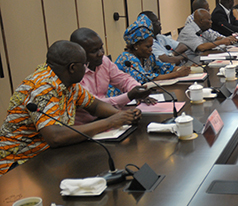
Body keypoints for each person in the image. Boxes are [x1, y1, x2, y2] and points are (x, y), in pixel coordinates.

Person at [0, 41, 141, 175]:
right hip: (18, 163)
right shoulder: (43, 87)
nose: (87, 68)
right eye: (85, 64)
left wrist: (122, 116)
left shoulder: (68, 83)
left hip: (47, 155)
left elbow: (95, 105)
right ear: (72, 68)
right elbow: (55, 136)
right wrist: (110, 122)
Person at [70, 28, 154, 124]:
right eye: (94, 51)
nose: (101, 53)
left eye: (101, 47)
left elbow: (124, 79)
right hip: (85, 125)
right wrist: (129, 96)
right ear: (79, 53)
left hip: (107, 116)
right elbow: (95, 104)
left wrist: (137, 89)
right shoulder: (76, 73)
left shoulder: (104, 61)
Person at [113, 15, 191, 92]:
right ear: (136, 46)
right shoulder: (127, 59)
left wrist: (186, 69)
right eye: (148, 47)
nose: (151, 50)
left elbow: (163, 67)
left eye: (151, 46)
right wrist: (177, 74)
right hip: (121, 97)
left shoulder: (147, 56)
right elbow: (144, 78)